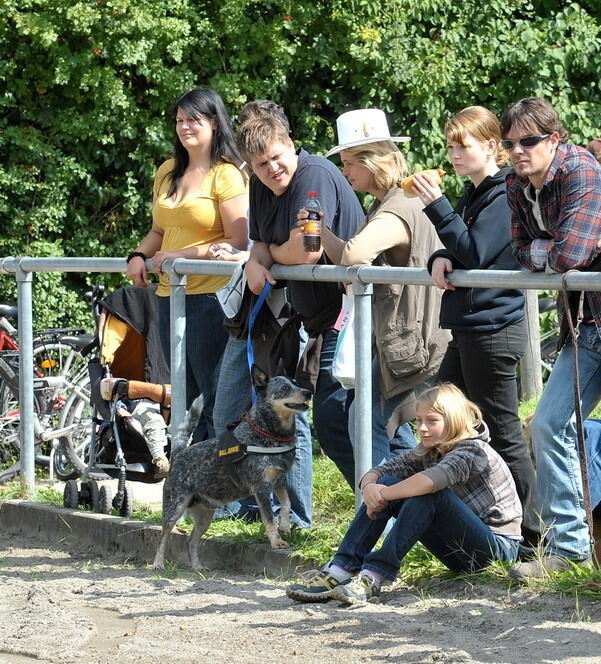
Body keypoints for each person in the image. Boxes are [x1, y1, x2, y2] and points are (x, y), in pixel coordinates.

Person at [497, 97, 601, 580]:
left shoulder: (580, 169)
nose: (518, 151)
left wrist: (554, 250)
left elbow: (571, 255)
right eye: (510, 143)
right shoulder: (517, 182)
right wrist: (551, 249)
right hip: (582, 325)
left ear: (554, 138)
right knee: (547, 424)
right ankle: (571, 549)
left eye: (528, 141)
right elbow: (525, 250)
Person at [409, 106, 540, 547]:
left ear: (491, 147)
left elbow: (478, 252)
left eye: (462, 145)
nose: (453, 154)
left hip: (493, 330)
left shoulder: (506, 191)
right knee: (441, 419)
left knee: (502, 433)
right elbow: (461, 251)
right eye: (450, 145)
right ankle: (458, 521)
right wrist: (437, 257)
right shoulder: (476, 193)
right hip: (472, 327)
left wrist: (436, 206)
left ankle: (533, 537)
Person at [284, 383, 521, 604]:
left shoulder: (473, 449)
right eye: (418, 421)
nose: (422, 428)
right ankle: (340, 569)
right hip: (459, 554)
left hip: (496, 551)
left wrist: (383, 494)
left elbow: (428, 483)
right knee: (389, 481)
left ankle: (374, 575)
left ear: (455, 421)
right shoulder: (429, 450)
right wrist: (370, 487)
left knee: (428, 493)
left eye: (432, 421)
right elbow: (381, 471)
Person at [211, 100, 332, 528]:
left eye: (276, 157)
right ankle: (240, 504)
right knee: (230, 409)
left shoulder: (312, 175)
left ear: (289, 142)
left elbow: (307, 248)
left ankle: (295, 516)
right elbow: (260, 242)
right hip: (265, 315)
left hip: (316, 319)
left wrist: (265, 261)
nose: (272, 168)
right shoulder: (261, 184)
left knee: (300, 418)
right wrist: (257, 260)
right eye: (260, 163)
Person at [319, 108, 450, 475]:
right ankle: (407, 511)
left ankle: (385, 509)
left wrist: (320, 230)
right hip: (410, 339)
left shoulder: (397, 207)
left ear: (372, 161)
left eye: (349, 163)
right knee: (386, 425)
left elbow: (353, 254)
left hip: (414, 342)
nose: (345, 172)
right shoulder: (391, 200)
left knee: (368, 421)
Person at [126, 87, 248, 443]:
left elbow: (238, 242)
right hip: (169, 294)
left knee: (213, 399)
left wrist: (181, 257)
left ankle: (221, 488)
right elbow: (159, 230)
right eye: (179, 120)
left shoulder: (227, 174)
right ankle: (191, 483)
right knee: (184, 396)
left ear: (213, 122)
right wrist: (137, 255)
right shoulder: (167, 170)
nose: (184, 127)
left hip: (210, 297)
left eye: (192, 119)